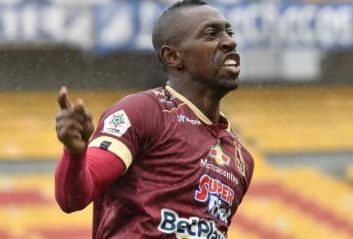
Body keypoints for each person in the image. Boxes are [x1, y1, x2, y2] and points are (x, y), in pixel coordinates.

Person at [54, 0, 254, 238]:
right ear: (173, 56)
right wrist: (75, 154)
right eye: (211, 34)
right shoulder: (144, 112)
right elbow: (72, 198)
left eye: (229, 32)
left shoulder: (241, 157)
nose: (230, 41)